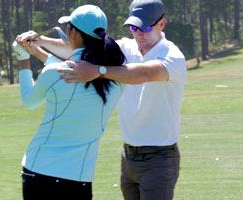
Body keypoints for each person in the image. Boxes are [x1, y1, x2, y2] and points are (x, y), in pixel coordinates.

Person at [24, 0, 187, 199]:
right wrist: (38, 43)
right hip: (128, 157)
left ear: (161, 24)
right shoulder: (126, 49)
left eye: (144, 27)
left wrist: (97, 71)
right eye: (133, 27)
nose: (138, 33)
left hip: (159, 157)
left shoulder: (172, 56)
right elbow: (83, 49)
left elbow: (144, 74)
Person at [12, 5, 125, 200]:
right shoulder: (117, 78)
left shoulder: (53, 73)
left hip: (38, 170)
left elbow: (30, 102)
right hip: (78, 178)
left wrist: (23, 58)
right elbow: (71, 66)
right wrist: (38, 50)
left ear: (72, 33)